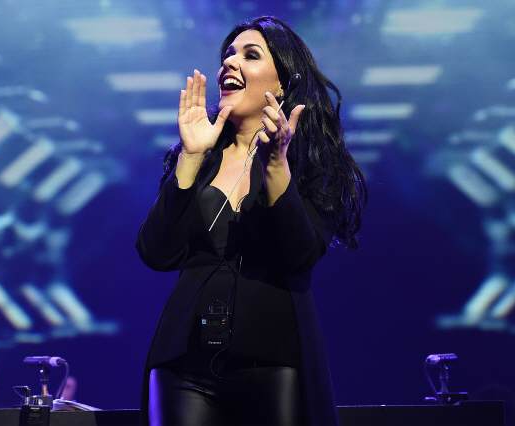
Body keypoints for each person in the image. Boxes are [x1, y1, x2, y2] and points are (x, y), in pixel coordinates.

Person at [136, 15, 366, 425]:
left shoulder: (312, 163)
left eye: (250, 55)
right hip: (183, 362)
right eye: (228, 54)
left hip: (273, 358)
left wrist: (276, 165)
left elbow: (298, 255)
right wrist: (190, 157)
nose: (230, 62)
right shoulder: (200, 156)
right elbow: (156, 252)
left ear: (282, 85)